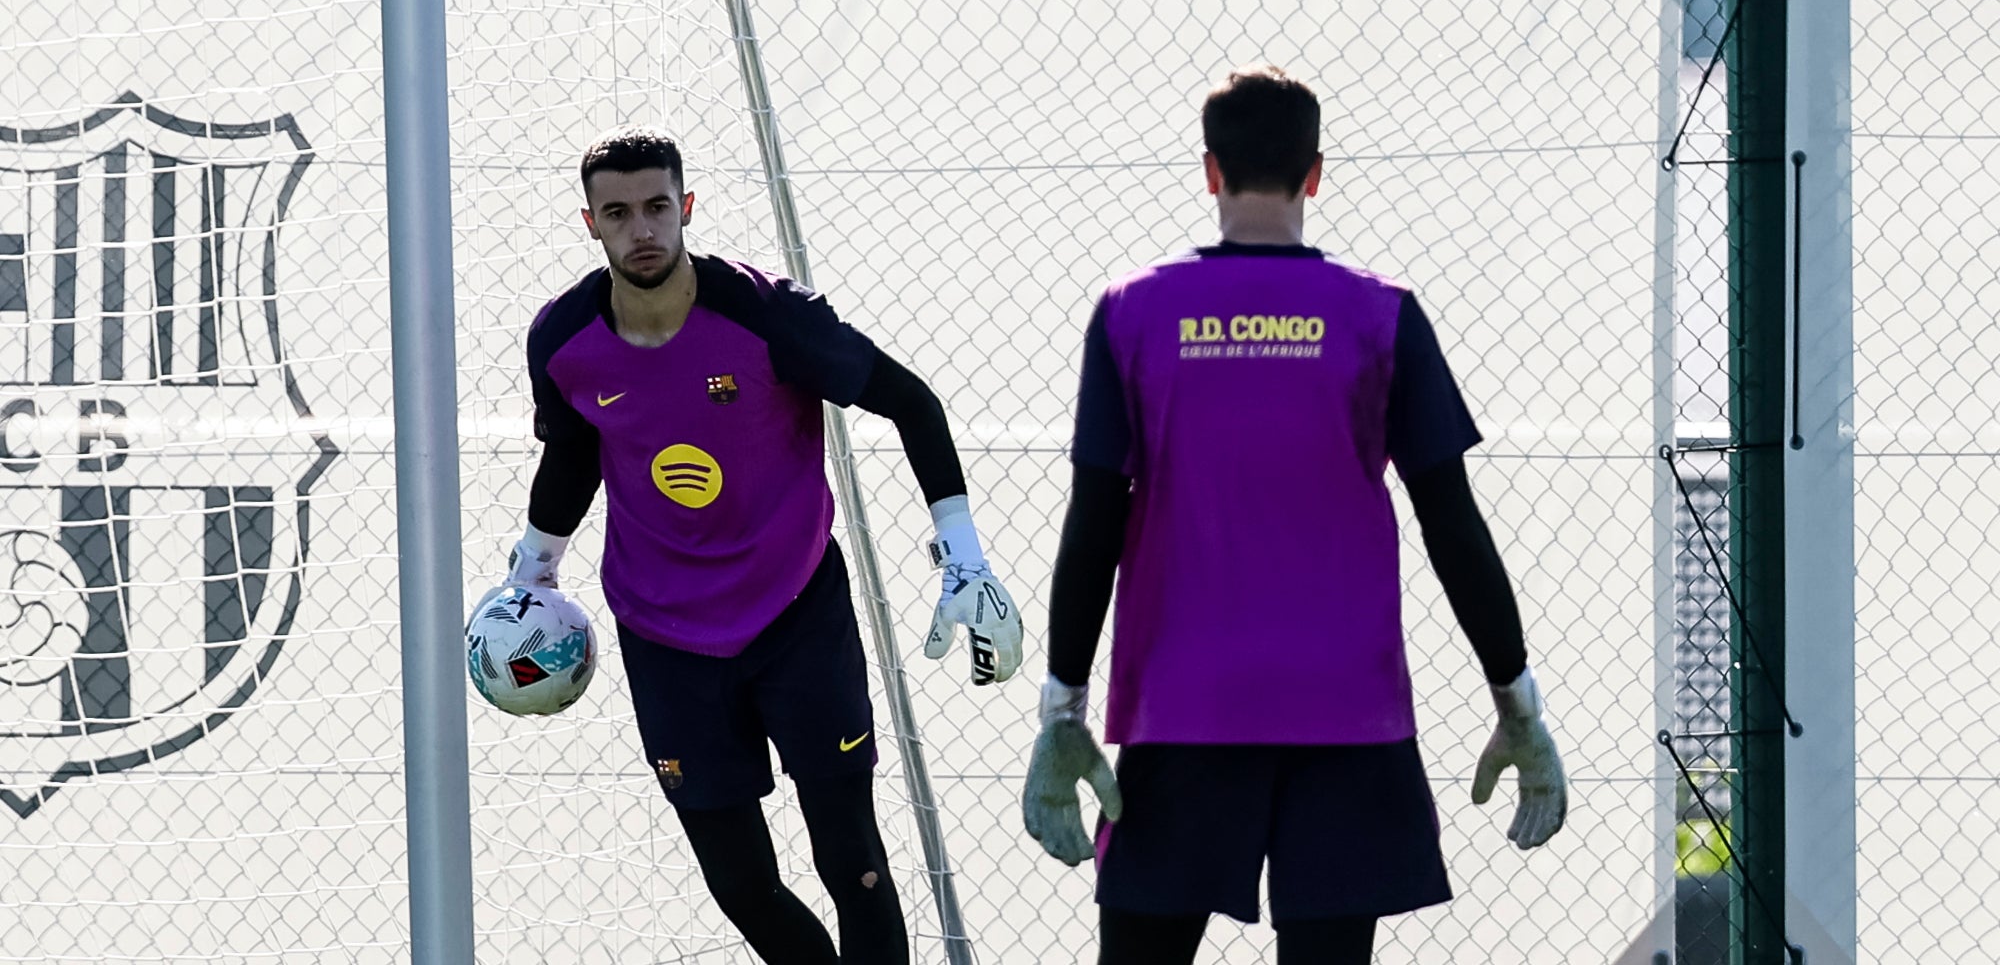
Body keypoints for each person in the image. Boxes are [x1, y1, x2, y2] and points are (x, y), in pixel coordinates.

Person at [1021, 65, 1568, 965]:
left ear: (1210, 172)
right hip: (1346, 710)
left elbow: (1094, 518)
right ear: (1316, 171)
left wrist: (1062, 709)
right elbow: (1451, 523)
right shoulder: (1378, 313)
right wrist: (1515, 701)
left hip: (1183, 705)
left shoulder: (1134, 311)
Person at [483, 125, 1024, 965]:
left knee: (855, 864)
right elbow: (576, 449)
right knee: (741, 886)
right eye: (618, 212)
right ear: (589, 223)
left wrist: (965, 552)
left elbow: (911, 401)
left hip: (797, 613)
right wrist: (532, 571)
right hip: (664, 636)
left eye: (658, 206)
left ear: (687, 207)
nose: (643, 229)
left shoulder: (771, 317)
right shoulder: (562, 340)